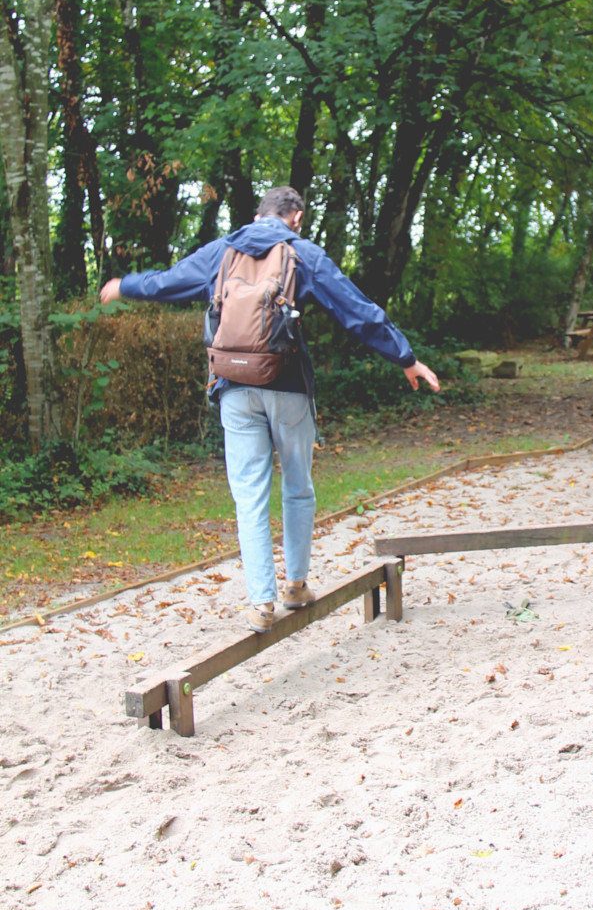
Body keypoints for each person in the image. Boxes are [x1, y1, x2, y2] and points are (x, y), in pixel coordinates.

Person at [100, 186, 438, 632]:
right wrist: (405, 358)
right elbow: (357, 310)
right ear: (294, 216)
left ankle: (261, 603)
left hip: (234, 387)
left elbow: (169, 282)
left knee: (249, 496)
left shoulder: (223, 251)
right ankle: (296, 585)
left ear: (257, 214)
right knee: (297, 486)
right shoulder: (303, 254)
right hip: (289, 385)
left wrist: (125, 285)